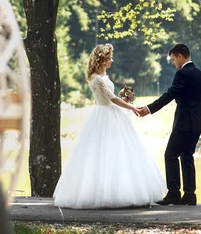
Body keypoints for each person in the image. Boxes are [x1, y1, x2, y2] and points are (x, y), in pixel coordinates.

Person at [53, 44, 165, 209]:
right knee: (104, 154)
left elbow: (111, 97)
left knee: (118, 153)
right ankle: (105, 194)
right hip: (105, 115)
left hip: (110, 114)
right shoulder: (97, 78)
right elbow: (111, 99)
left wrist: (123, 98)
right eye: (110, 58)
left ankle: (118, 190)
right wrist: (132, 107)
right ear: (103, 60)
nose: (112, 60)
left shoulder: (101, 76)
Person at [138, 43, 201, 206]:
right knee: (187, 156)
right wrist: (199, 119)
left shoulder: (182, 74)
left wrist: (149, 109)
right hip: (196, 124)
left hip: (183, 123)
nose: (174, 63)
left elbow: (170, 95)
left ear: (180, 56)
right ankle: (190, 195)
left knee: (170, 154)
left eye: (174, 59)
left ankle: (174, 193)